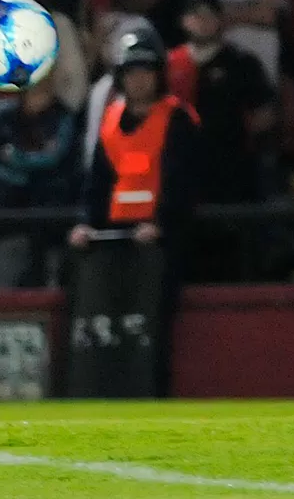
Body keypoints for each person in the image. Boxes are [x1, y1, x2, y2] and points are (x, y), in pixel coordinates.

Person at [69, 30, 199, 398]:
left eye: (145, 71)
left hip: (155, 243)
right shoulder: (110, 120)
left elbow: (181, 181)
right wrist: (85, 223)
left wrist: (160, 223)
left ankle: (149, 391)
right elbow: (97, 182)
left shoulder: (176, 118)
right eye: (130, 72)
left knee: (149, 326)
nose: (138, 79)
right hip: (111, 241)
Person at [167, 0, 276, 209]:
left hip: (232, 167)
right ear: (184, 21)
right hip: (183, 165)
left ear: (220, 21)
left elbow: (264, 112)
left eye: (209, 16)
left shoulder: (241, 62)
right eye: (196, 16)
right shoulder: (169, 64)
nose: (203, 22)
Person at [0, 80, 77, 288]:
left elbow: (54, 158)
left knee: (49, 295)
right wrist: (21, 177)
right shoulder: (2, 114)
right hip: (6, 218)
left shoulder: (64, 116)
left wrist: (15, 158)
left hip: (51, 220)